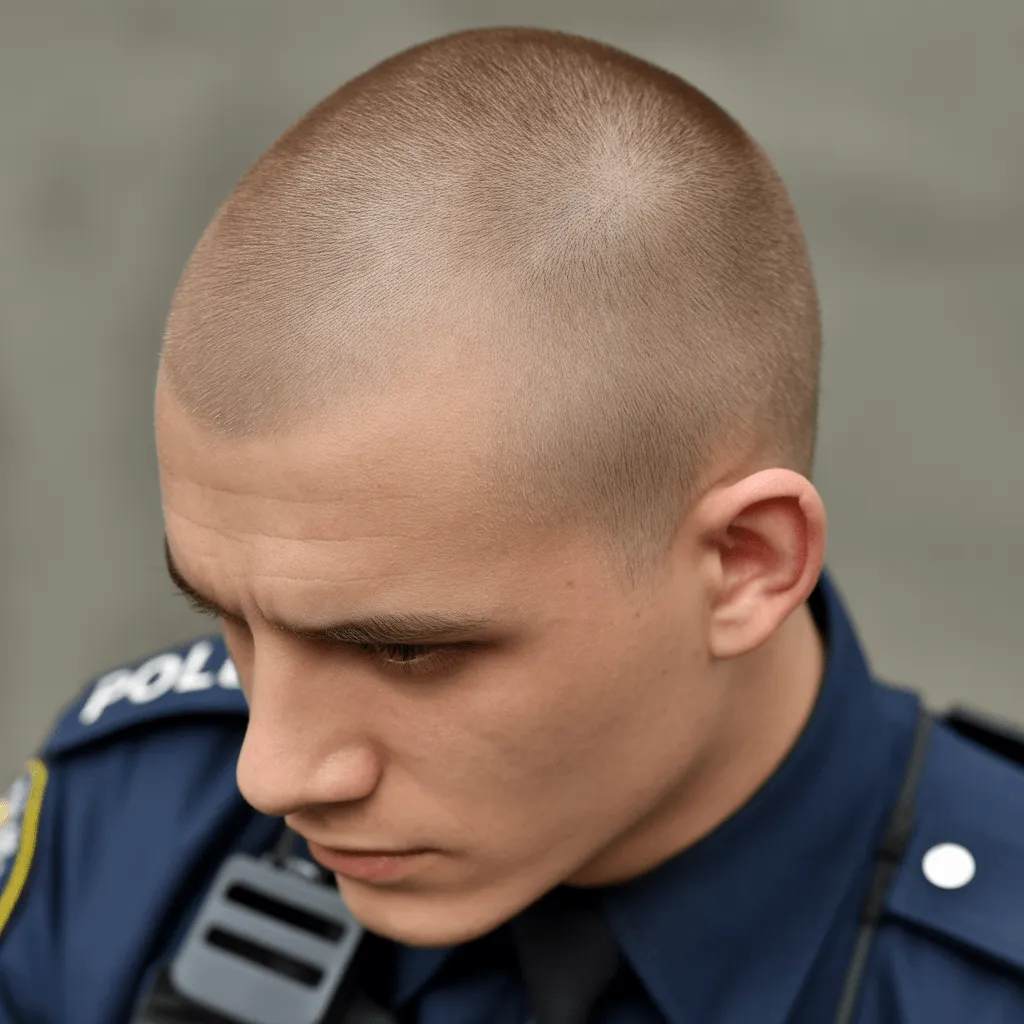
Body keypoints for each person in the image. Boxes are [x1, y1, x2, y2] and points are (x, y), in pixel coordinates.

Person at [1, 25, 1022, 1024]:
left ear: (745, 564)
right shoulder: (127, 839)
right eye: (234, 617)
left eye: (402, 648)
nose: (270, 773)